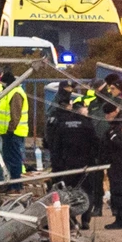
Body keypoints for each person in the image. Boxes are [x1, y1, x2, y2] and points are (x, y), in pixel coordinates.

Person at [46, 89, 101, 228]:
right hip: (86, 163)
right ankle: (86, 219)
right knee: (87, 190)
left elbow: (55, 145)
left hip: (67, 164)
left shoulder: (62, 123)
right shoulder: (87, 124)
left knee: (67, 191)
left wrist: (57, 164)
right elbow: (95, 143)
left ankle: (71, 220)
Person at [0, 71, 30, 193]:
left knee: (14, 160)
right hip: (7, 132)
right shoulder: (10, 92)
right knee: (8, 159)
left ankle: (16, 186)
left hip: (14, 132)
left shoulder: (15, 93)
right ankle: (9, 184)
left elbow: (15, 114)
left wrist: (10, 129)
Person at [104, 103, 122, 230]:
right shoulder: (115, 125)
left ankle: (121, 219)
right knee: (115, 190)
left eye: (108, 114)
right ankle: (118, 217)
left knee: (118, 190)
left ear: (115, 111)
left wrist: (112, 136)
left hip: (120, 162)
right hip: (115, 162)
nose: (106, 117)